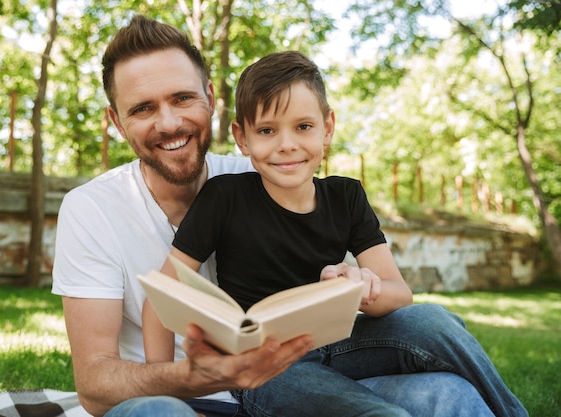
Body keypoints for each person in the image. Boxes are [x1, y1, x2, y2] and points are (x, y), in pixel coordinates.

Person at [51, 14, 514, 417]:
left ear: (210, 98)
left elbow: (395, 292)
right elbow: (94, 384)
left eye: (182, 98)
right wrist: (185, 380)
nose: (169, 123)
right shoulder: (94, 208)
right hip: (184, 395)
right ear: (116, 121)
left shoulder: (265, 172)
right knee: (159, 414)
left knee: (450, 394)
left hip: (317, 360)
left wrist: (358, 284)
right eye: (144, 108)